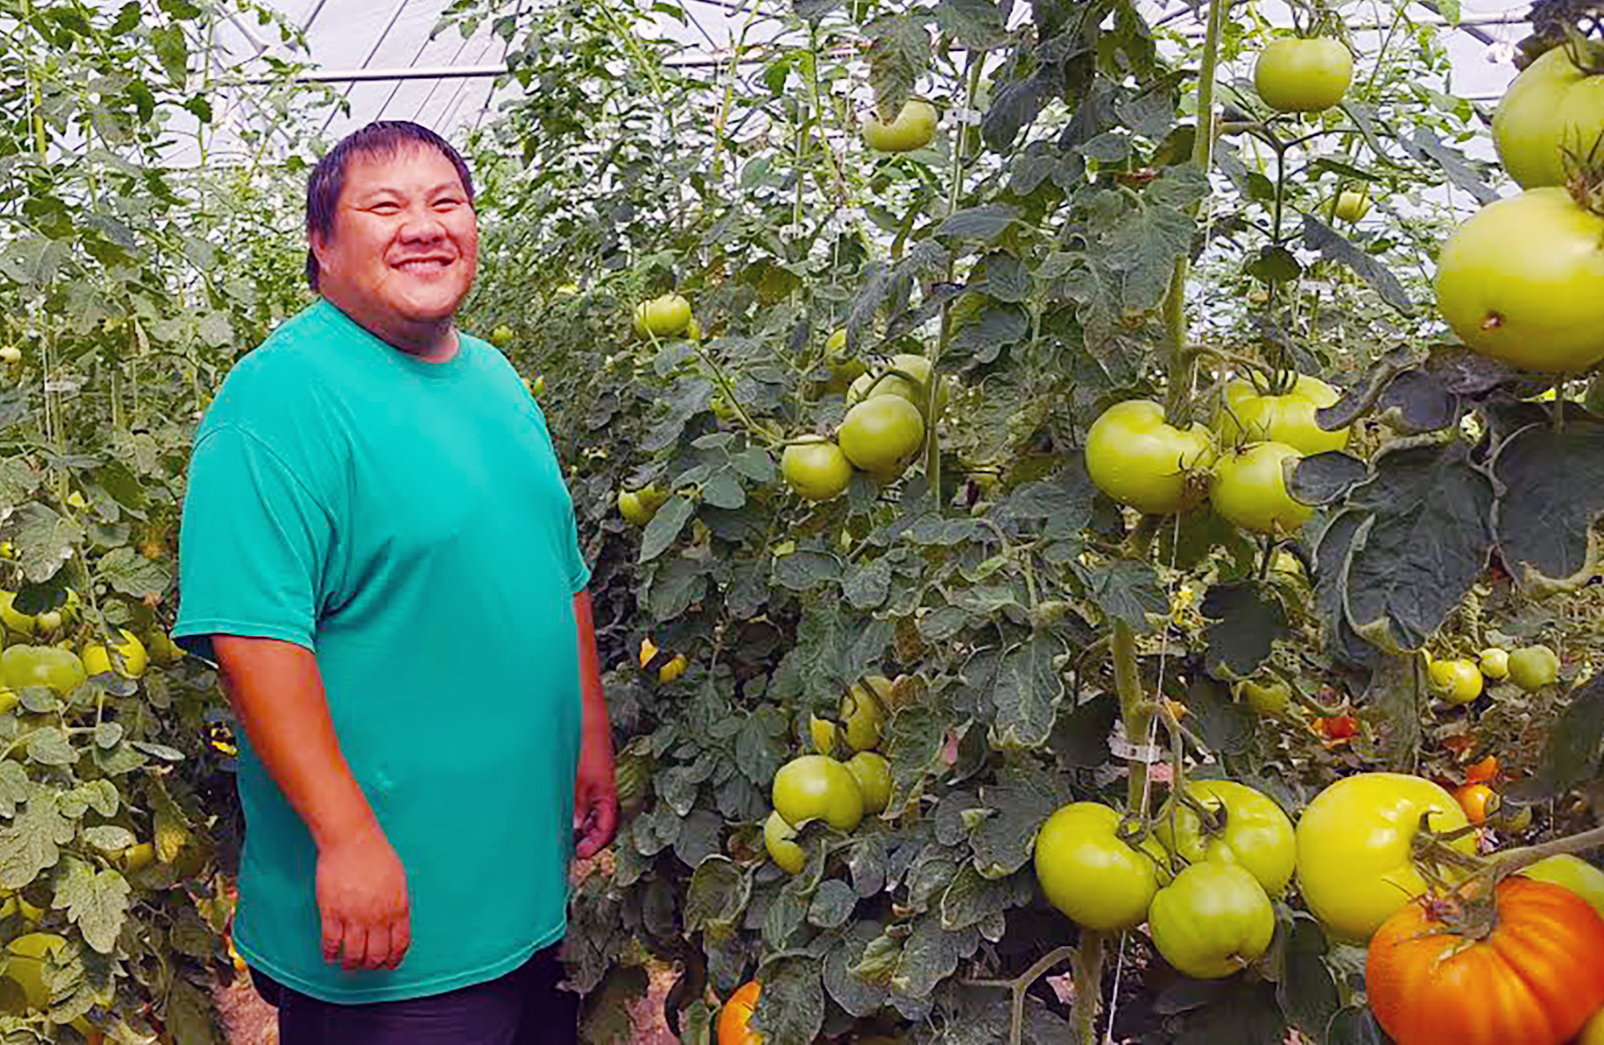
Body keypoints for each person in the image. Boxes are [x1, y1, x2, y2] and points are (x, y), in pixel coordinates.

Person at [172, 120, 616, 1045]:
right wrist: (347, 837)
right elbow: (253, 636)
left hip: (520, 894)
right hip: (391, 927)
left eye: (445, 201)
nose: (424, 225)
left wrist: (590, 734)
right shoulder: (278, 401)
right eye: (385, 206)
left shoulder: (495, 378)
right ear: (321, 244)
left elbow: (557, 569)